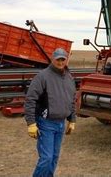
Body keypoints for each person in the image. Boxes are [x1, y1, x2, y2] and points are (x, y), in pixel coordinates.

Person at [24, 48, 76, 177]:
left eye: (62, 59)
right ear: (53, 59)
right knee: (46, 158)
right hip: (46, 123)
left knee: (54, 157)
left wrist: (72, 120)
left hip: (60, 124)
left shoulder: (69, 78)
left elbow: (71, 100)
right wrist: (31, 123)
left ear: (66, 60)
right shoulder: (42, 76)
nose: (60, 62)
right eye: (58, 59)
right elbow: (30, 99)